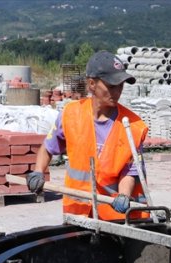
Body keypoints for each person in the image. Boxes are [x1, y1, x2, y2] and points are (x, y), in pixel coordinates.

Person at [26, 50, 149, 221]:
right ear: (92, 84)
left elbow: (130, 172)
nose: (117, 91)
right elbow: (47, 148)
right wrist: (39, 172)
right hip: (78, 211)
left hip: (117, 216)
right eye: (111, 86)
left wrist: (124, 196)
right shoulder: (71, 114)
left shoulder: (132, 126)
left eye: (121, 85)